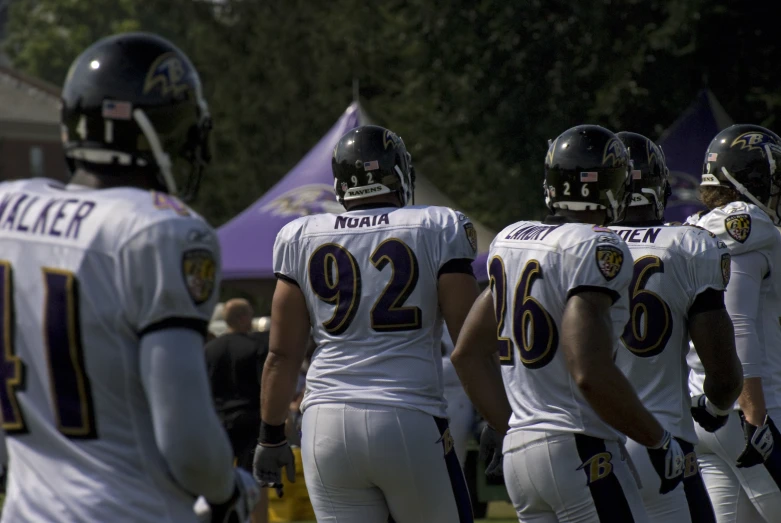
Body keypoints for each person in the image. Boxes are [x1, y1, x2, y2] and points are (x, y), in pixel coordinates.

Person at [0, 32, 257, 522]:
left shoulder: (8, 209)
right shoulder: (161, 229)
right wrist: (227, 490)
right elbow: (186, 440)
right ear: (151, 130)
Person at [452, 124, 686, 522]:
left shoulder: (513, 239)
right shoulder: (597, 245)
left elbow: (467, 354)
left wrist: (507, 426)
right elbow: (588, 370)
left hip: (521, 457)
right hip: (579, 447)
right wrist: (658, 439)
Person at [253, 125, 480, 523]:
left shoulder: (300, 234)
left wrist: (270, 434)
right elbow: (470, 344)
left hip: (324, 423)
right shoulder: (437, 225)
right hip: (407, 414)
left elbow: (282, 353)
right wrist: (500, 418)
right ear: (398, 173)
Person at [610, 132, 743, 522]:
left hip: (584, 446)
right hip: (660, 441)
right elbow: (721, 373)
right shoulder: (687, 244)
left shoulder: (568, 244)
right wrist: (717, 407)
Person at [686, 124, 781, 522]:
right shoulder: (746, 227)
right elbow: (736, 320)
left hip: (705, 410)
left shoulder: (695, 228)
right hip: (753, 409)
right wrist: (754, 415)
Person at [205, 298, 269, 523]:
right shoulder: (256, 346)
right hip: (251, 420)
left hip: (219, 420)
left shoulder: (210, 349)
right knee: (257, 479)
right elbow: (266, 385)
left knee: (217, 480)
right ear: (242, 318)